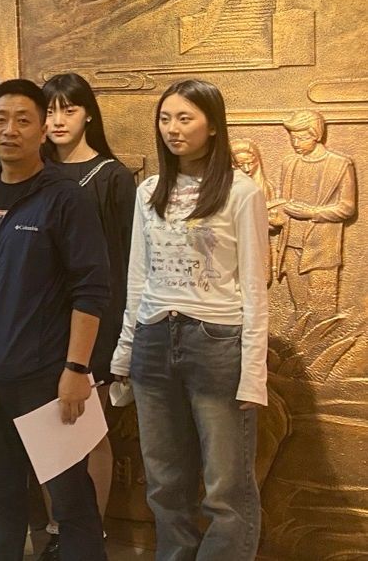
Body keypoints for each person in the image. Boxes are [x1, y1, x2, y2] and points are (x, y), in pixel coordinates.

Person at [0, 78, 110, 560]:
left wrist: (76, 370)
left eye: (23, 120)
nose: (9, 130)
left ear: (41, 130)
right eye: (1, 119)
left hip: (46, 376)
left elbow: (91, 290)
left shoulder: (65, 198)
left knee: (69, 493)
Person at [110, 79, 269, 560]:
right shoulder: (149, 191)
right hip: (154, 337)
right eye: (165, 119)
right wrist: (124, 351)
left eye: (185, 118)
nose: (173, 129)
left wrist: (253, 372)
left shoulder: (241, 191)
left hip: (215, 341)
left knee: (226, 488)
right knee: (164, 482)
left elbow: (254, 286)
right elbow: (138, 277)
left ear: (213, 125)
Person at [39, 72, 137, 555]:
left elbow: (125, 260)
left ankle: (88, 536)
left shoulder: (112, 177)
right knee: (47, 431)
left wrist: (116, 337)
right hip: (41, 325)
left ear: (88, 115)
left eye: (69, 109)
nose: (58, 120)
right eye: (50, 110)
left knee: (89, 430)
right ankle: (57, 531)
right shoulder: (34, 173)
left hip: (95, 321)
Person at [269, 109, 357, 314]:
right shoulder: (289, 163)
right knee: (300, 307)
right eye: (292, 138)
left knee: (322, 309)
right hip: (291, 245)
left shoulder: (340, 164)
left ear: (316, 135)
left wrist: (312, 213)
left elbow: (347, 208)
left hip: (321, 248)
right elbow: (286, 202)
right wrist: (275, 214)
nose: (295, 143)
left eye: (302, 138)